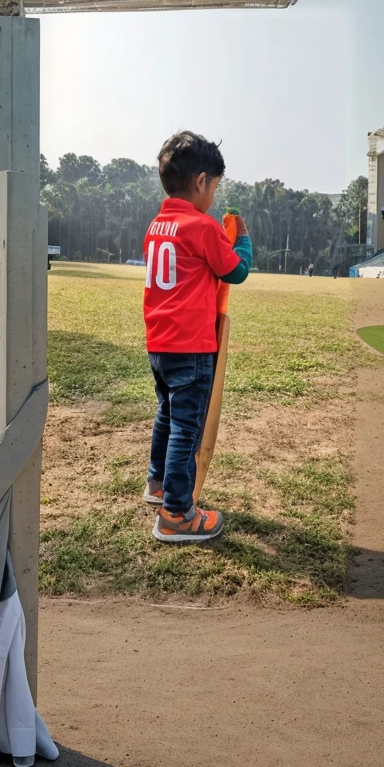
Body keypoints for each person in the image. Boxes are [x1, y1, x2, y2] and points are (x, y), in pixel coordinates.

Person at [141, 132, 252, 543]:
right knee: (187, 427)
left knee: (166, 416)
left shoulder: (157, 224)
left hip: (160, 343)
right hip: (192, 346)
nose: (215, 196)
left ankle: (157, 485)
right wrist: (241, 239)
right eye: (216, 187)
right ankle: (176, 514)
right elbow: (236, 271)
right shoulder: (203, 227)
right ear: (202, 181)